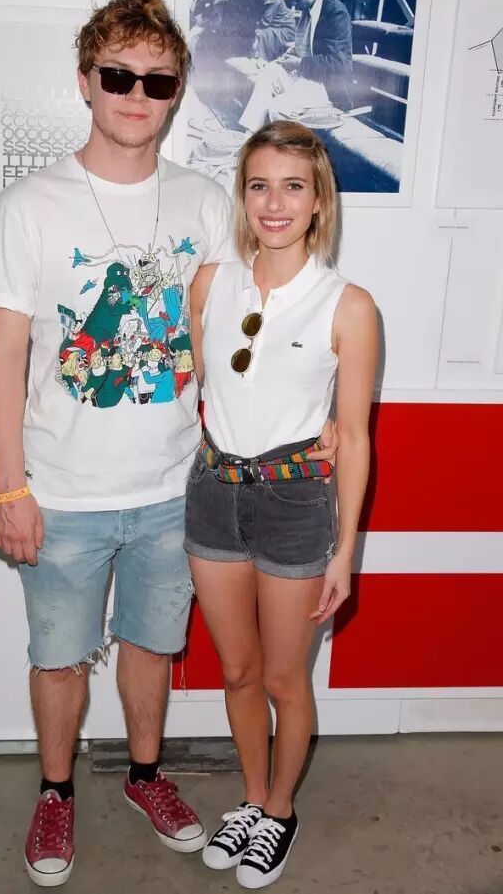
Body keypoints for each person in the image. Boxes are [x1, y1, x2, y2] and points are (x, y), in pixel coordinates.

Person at [0, 0, 272, 889]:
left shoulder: (204, 203)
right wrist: (9, 487)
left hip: (173, 488)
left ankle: (145, 776)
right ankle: (56, 789)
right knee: (58, 656)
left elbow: (235, 338)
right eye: (118, 75)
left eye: (157, 80)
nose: (137, 96)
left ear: (177, 90)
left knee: (151, 644)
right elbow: (3, 357)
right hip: (59, 491)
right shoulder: (29, 206)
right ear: (86, 81)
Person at [186, 120, 377, 889]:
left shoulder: (348, 305)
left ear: (318, 201)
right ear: (243, 195)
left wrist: (346, 551)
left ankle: (281, 810)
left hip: (295, 503)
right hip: (212, 495)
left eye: (293, 186)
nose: (274, 202)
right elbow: (187, 387)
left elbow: (354, 437)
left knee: (282, 680)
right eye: (260, 185)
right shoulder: (210, 283)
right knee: (237, 670)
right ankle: (252, 797)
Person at [239, 0, 354, 132]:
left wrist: (299, 63)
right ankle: (250, 134)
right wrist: (292, 54)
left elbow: (338, 63)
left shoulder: (336, 12)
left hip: (327, 87)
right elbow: (309, 46)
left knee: (277, 107)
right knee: (268, 72)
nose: (294, 3)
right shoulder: (310, 8)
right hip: (305, 78)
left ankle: (289, 145)